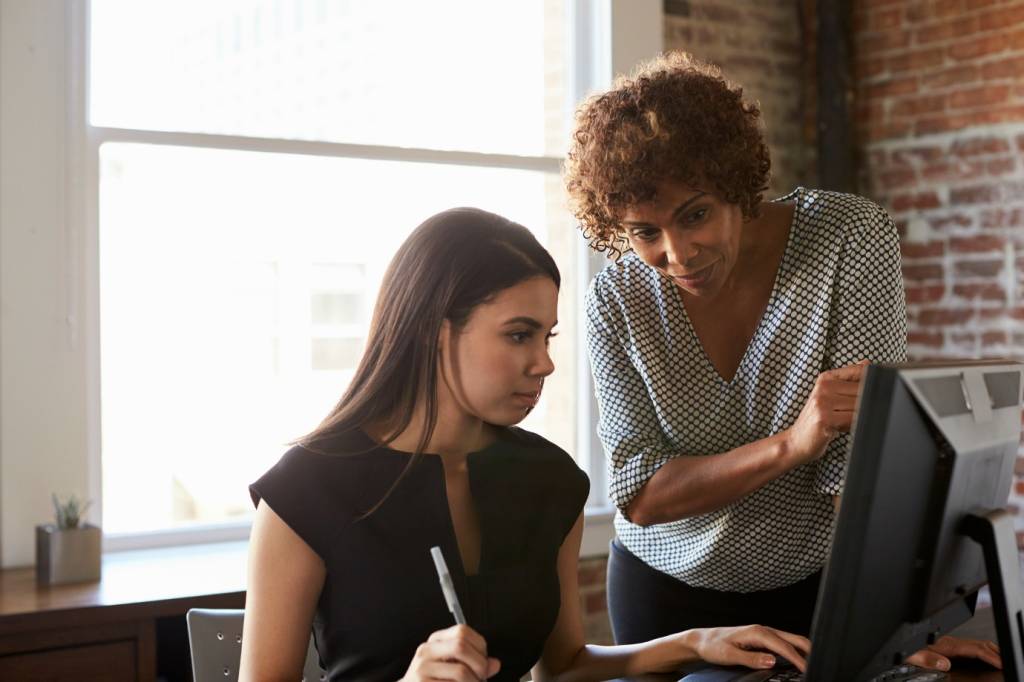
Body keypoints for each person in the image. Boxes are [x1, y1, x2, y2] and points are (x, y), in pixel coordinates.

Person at [239, 207, 813, 682]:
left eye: (546, 337)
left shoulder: (550, 480)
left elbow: (562, 666)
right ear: (435, 330)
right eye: (518, 335)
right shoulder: (304, 493)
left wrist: (696, 642)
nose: (543, 363)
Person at [563, 52, 1001, 672]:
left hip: (818, 588)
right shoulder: (617, 297)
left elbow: (859, 465)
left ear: (738, 184)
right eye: (643, 232)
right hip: (665, 594)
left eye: (696, 214)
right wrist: (794, 443)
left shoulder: (848, 237)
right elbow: (638, 492)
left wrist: (902, 626)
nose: (677, 254)